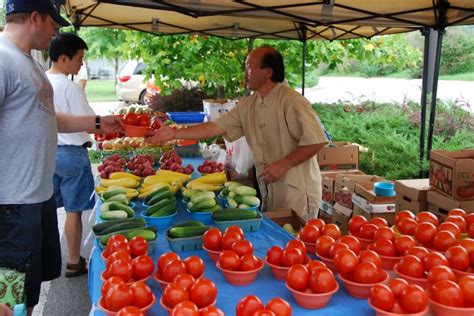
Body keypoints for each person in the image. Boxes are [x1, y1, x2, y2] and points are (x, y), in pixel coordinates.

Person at [0, 1, 121, 314]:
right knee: (9, 295)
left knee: (28, 290)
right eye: (54, 23)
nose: (56, 31)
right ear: (36, 18)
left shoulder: (30, 64)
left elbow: (49, 119)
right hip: (11, 205)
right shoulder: (2, 59)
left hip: (35, 199)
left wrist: (97, 123)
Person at [147, 46, 328, 217]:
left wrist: (284, 164)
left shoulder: (291, 101)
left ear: (268, 72)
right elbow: (215, 127)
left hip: (298, 194)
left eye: (249, 67)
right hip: (269, 191)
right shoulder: (248, 104)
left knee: (297, 247)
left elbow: (317, 140)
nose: (245, 74)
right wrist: (174, 133)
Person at [46, 33, 95, 278]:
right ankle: (74, 261)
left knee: (47, 209)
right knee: (74, 211)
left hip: (48, 154)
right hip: (72, 155)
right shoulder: (70, 88)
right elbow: (90, 123)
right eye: (79, 58)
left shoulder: (41, 81)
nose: (81, 64)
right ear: (63, 58)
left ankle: (47, 257)